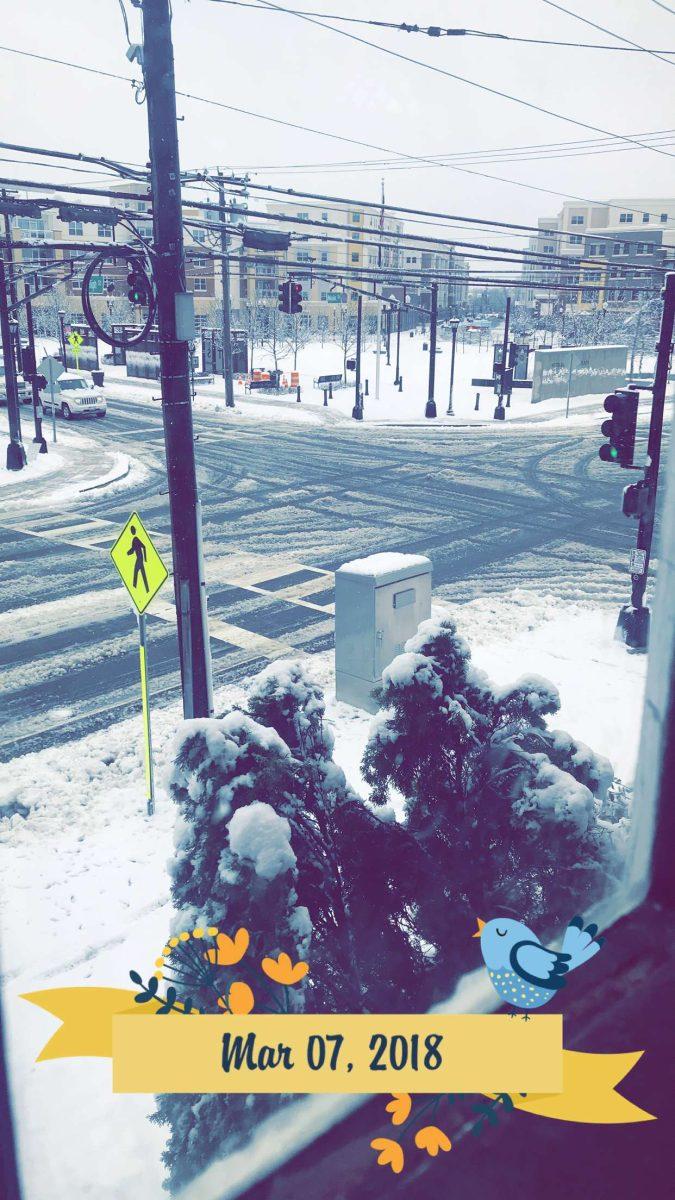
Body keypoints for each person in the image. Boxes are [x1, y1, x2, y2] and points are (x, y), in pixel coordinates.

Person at [127, 525, 149, 593]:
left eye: (133, 530)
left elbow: (144, 547)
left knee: (136, 574)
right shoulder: (135, 539)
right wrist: (129, 552)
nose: (132, 531)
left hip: (139, 559)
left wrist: (145, 559)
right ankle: (147, 590)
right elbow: (133, 550)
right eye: (131, 530)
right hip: (140, 559)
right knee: (143, 575)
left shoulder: (135, 539)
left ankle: (134, 589)